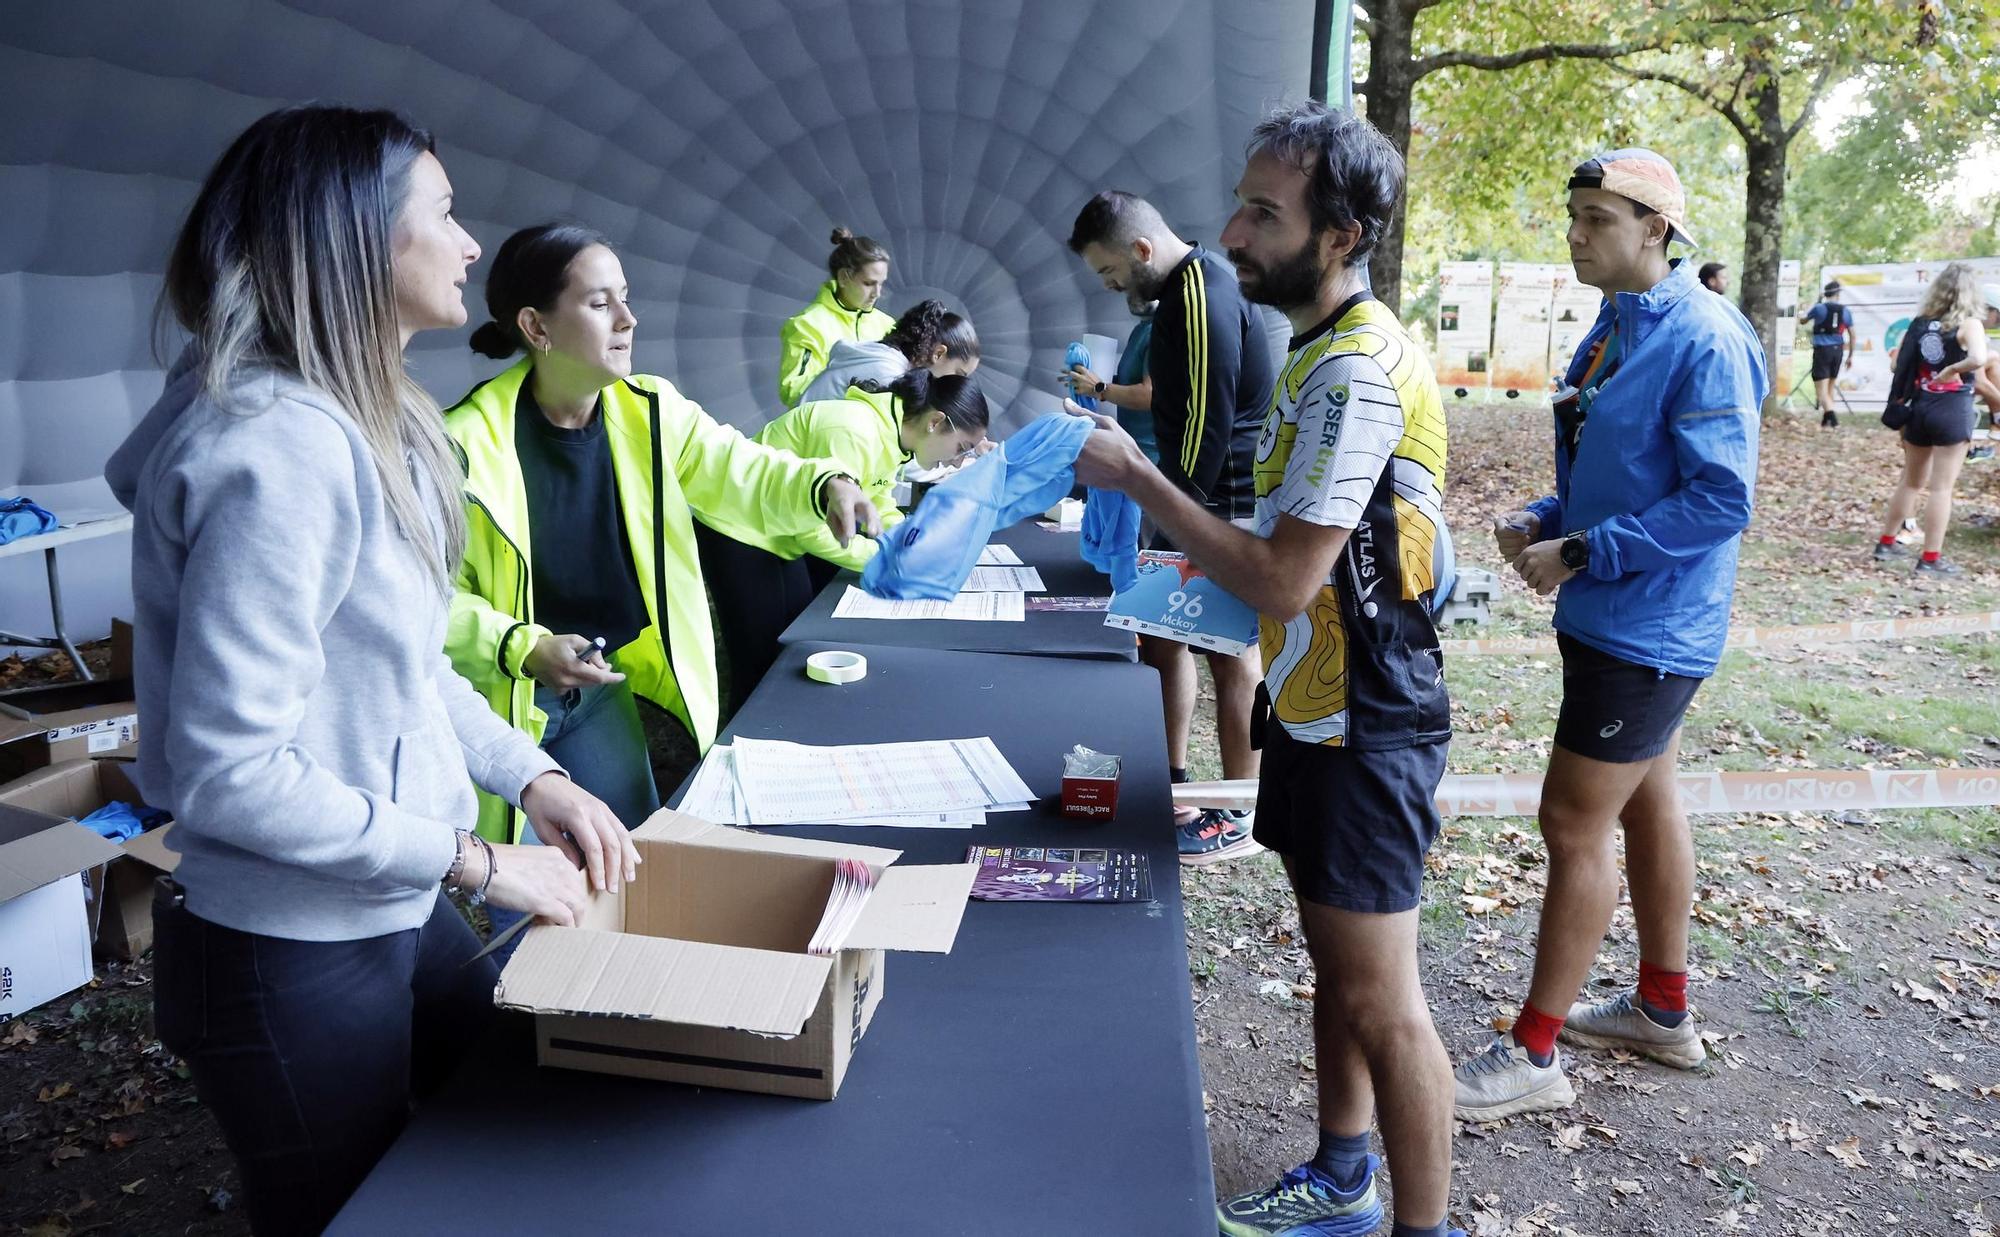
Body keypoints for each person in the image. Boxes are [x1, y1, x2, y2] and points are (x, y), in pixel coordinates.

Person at [104, 105, 642, 1236]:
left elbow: (399, 662)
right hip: (286, 945)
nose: (468, 244)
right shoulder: (276, 449)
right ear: (352, 240)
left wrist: (534, 777)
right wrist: (476, 859)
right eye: (442, 215)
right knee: (351, 1212)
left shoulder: (366, 420)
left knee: (504, 1112)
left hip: (385, 902)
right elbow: (228, 774)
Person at [1072, 101, 1464, 1237]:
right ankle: (1343, 1175)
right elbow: (1294, 586)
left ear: (1338, 234)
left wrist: (1142, 486)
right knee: (1340, 973)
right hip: (1312, 711)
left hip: (1366, 726)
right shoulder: (1317, 350)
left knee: (1386, 1004)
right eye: (1238, 203)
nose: (1232, 232)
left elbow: (1286, 580)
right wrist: (1165, 588)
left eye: (1261, 211)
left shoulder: (1355, 373)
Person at [1457, 148, 1765, 1122]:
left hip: (1645, 626)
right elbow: (1620, 461)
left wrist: (1583, 552)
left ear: (1654, 228)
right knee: (1643, 801)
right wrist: (1545, 516)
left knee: (1569, 823)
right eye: (1573, 214)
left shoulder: (1703, 338)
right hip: (1613, 614)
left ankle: (1533, 1052)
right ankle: (1660, 1012)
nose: (1575, 234)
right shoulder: (1615, 321)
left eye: (1595, 216)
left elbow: (1719, 500)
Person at [448, 222, 880, 874]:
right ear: (536, 328)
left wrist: (825, 483)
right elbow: (428, 603)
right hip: (508, 701)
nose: (628, 318)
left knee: (633, 868)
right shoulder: (461, 446)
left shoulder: (651, 410)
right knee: (528, 908)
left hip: (597, 687)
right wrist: (522, 645)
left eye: (625, 296)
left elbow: (744, 469)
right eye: (600, 303)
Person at [1065, 189, 1276, 865]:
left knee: (1229, 654)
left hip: (1222, 499)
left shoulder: (1201, 293)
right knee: (1157, 636)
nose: (1109, 285)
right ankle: (1175, 777)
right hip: (1182, 497)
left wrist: (1174, 510)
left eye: (1109, 271)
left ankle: (1238, 809)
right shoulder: (1178, 293)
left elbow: (1207, 427)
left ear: (1142, 250)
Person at [699, 369, 991, 712]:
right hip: (739, 529)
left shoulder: (893, 436)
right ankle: (735, 748)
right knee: (758, 662)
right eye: (961, 448)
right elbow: (818, 529)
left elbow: (875, 502)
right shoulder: (855, 431)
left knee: (793, 649)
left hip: (778, 531)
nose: (957, 461)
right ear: (935, 422)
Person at [1870, 261, 1990, 573]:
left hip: (1919, 407)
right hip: (1951, 409)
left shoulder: (1921, 324)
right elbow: (1977, 358)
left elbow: (1899, 366)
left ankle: (1886, 542)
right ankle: (1931, 559)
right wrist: (1952, 369)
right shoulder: (1969, 324)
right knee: (1941, 488)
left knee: (1910, 482)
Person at [779, 226, 895, 407]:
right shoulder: (808, 325)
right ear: (843, 277)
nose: (877, 293)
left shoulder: (888, 325)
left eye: (881, 284)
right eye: (868, 283)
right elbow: (794, 392)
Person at [798, 296, 980, 410]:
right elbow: (906, 455)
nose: (957, 384)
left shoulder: (886, 360)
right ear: (939, 353)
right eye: (959, 374)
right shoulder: (888, 374)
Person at [1800, 280, 1853, 427]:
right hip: (1838, 350)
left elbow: (1802, 320)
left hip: (1822, 351)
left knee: (1820, 389)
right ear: (1837, 294)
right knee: (1830, 386)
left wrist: (1816, 301)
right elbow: (1853, 334)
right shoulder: (1845, 311)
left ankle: (1833, 418)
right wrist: (1850, 356)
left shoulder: (1819, 308)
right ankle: (1826, 420)